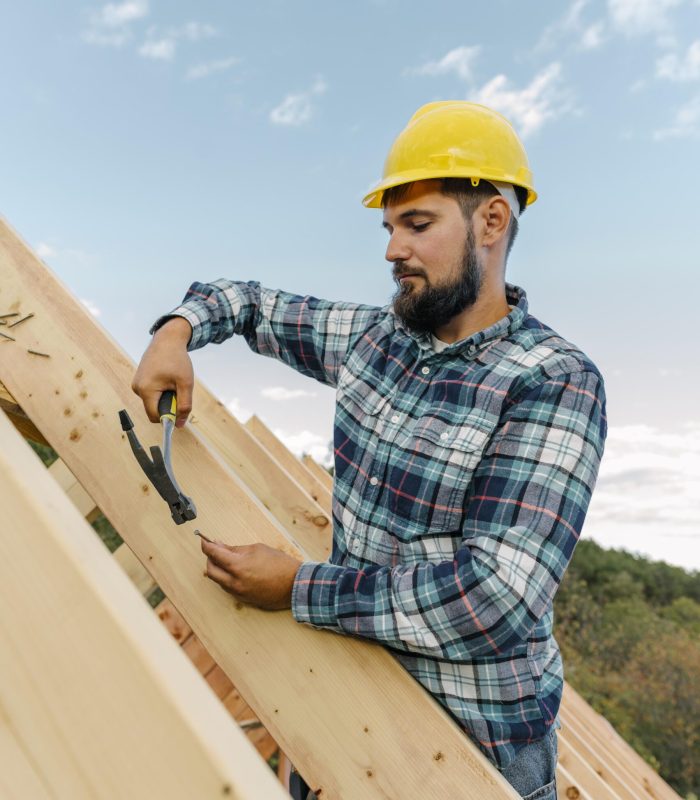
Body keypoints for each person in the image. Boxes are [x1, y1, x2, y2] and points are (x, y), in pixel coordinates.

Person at [132, 101, 607, 800]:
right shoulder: (374, 340)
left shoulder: (553, 381)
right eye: (390, 228)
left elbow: (494, 599)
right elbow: (245, 301)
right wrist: (175, 332)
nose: (392, 250)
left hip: (469, 747)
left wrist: (298, 586)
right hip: (344, 698)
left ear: (493, 223)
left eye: (417, 225)